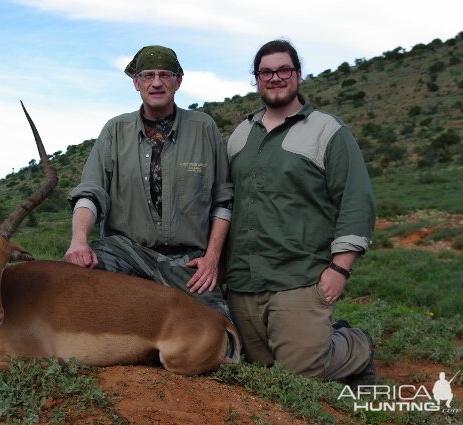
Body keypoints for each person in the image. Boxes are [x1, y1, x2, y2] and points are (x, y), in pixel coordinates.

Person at [225, 39, 377, 386]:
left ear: (298, 74)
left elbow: (355, 199)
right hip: (243, 281)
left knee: (297, 376)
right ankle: (319, 336)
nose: (275, 77)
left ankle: (356, 346)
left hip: (300, 277)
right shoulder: (240, 135)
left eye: (283, 70)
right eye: (266, 71)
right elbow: (226, 203)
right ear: (256, 78)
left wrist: (340, 268)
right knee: (258, 373)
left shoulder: (327, 130)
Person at [66, 45, 233, 317]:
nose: (156, 83)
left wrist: (212, 260)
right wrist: (79, 241)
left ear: (178, 81)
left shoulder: (204, 128)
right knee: (74, 280)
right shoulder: (115, 130)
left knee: (219, 332)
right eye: (147, 75)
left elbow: (223, 201)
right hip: (126, 252)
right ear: (136, 82)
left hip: (186, 260)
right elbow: (90, 194)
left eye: (165, 75)